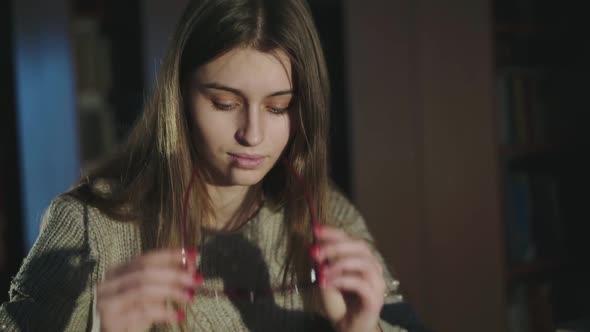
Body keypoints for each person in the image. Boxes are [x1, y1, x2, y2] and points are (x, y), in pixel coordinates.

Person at [0, 0, 406, 331]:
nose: (253, 134)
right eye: (225, 104)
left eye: (279, 107)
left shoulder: (326, 213)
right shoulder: (90, 225)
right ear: (178, 96)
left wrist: (362, 330)